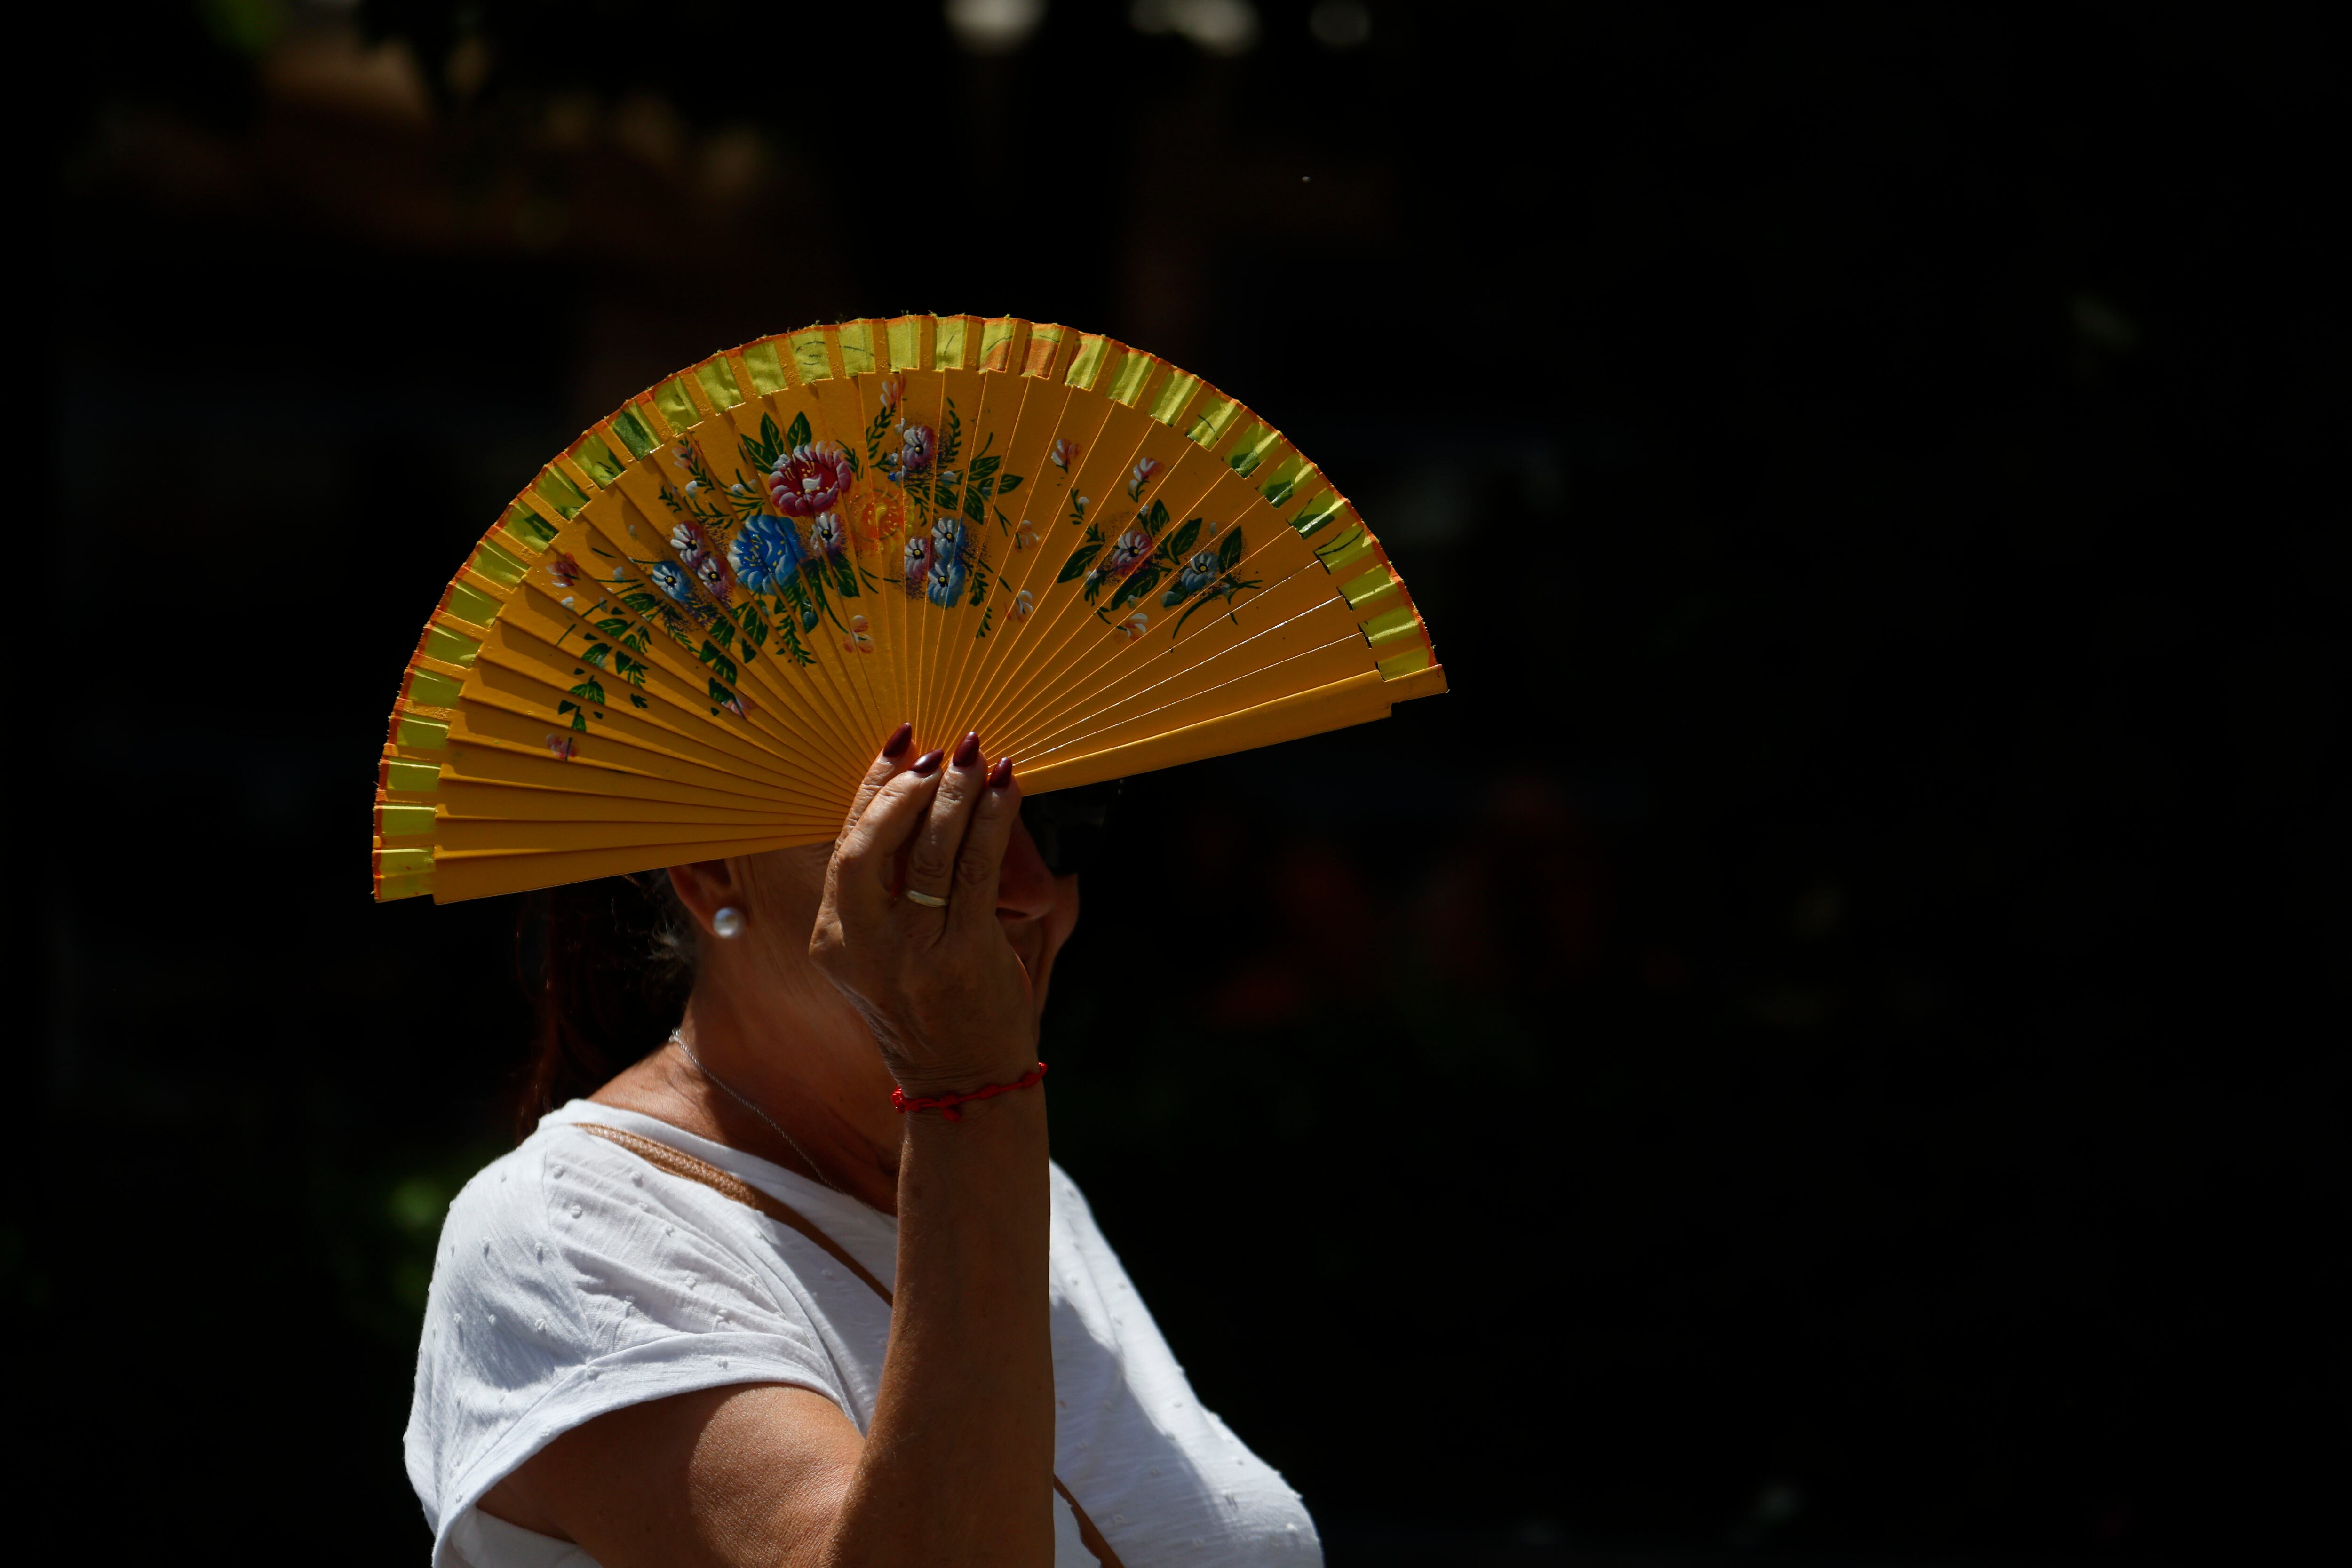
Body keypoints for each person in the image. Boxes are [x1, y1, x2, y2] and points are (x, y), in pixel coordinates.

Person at [405, 724, 1320, 1567]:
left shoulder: (1017, 1180)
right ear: (713, 864)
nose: (1030, 884)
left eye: (1057, 810)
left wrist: (972, 1106)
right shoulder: (560, 1230)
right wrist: (968, 1090)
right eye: (936, 828)